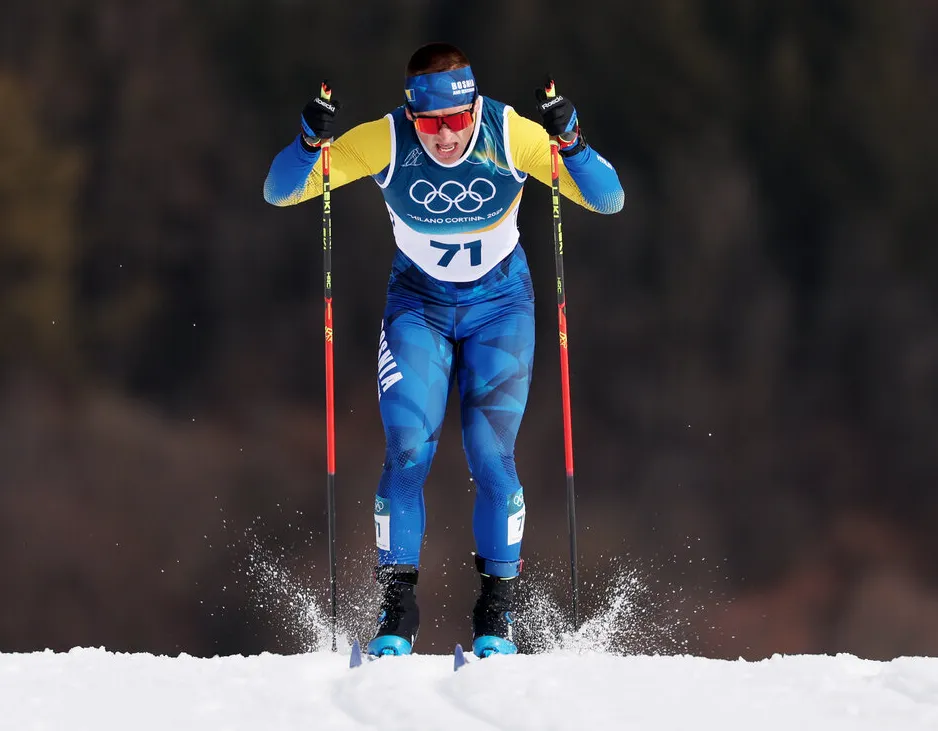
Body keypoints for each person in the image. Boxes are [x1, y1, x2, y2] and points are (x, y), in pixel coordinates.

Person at [264, 42, 624, 658]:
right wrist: (305, 141)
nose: (447, 137)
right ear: (412, 114)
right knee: (407, 449)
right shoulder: (386, 140)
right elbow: (281, 192)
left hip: (500, 308)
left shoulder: (508, 134)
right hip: (418, 306)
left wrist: (571, 142)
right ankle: (397, 612)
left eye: (458, 121)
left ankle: (496, 614)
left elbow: (608, 197)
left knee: (491, 454)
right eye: (432, 124)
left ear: (474, 107)